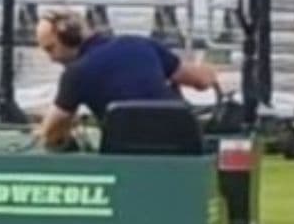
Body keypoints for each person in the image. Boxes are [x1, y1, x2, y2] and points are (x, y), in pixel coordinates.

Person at [34, 9, 220, 150]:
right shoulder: (140, 44)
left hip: (122, 153)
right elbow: (201, 80)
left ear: (71, 38)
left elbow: (51, 133)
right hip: (180, 144)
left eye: (51, 49)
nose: (52, 58)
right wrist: (210, 72)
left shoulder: (75, 74)